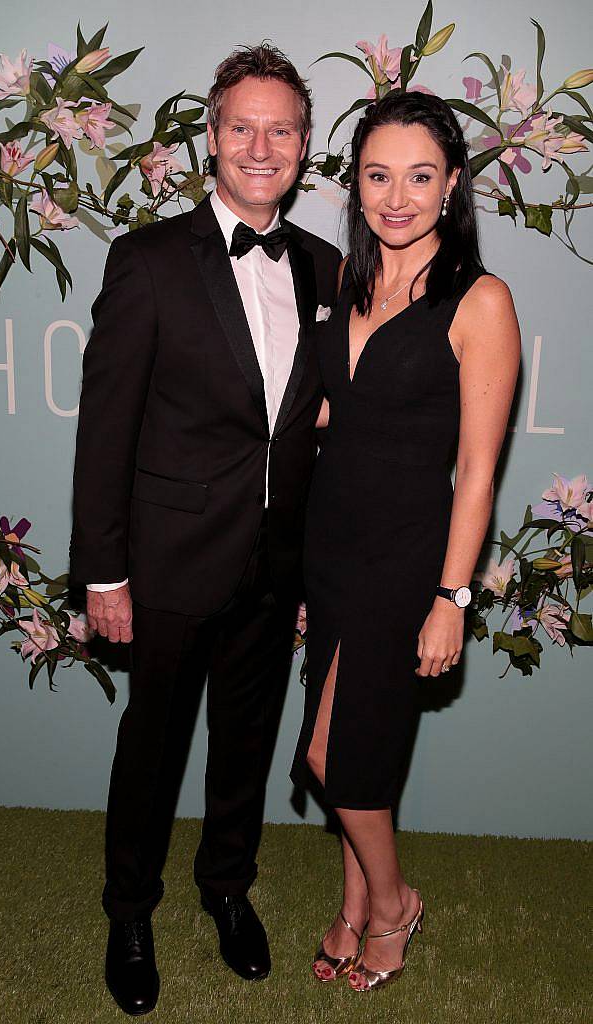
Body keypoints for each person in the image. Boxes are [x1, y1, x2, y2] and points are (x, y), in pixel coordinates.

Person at [70, 44, 340, 1014]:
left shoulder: (323, 266)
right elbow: (105, 431)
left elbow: (314, 413)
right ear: (211, 139)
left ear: (304, 147)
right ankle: (128, 909)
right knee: (151, 748)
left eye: (281, 129)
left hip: (275, 566)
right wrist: (103, 574)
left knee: (244, 742)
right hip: (170, 562)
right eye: (242, 127)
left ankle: (226, 887)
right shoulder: (147, 261)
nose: (260, 146)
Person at [291, 90, 520, 992]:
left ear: (453, 183)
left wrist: (451, 598)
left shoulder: (480, 301)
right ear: (356, 184)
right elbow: (322, 418)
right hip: (331, 549)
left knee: (330, 755)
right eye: (378, 176)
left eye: (420, 176)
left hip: (407, 559)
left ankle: (392, 905)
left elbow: (478, 470)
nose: (397, 197)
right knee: (360, 750)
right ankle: (352, 909)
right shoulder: (348, 283)